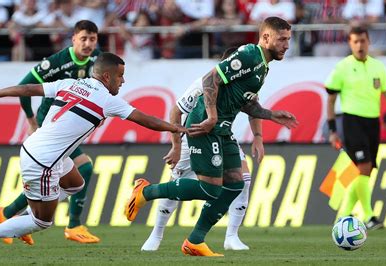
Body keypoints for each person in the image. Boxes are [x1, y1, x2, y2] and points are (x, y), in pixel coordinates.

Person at [0, 52, 187, 258]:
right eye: (120, 76)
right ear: (107, 76)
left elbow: (29, 89)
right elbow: (144, 119)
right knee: (42, 222)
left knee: (75, 184)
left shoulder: (70, 84)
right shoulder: (107, 100)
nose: (123, 81)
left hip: (40, 150)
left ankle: (23, 222)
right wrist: (175, 128)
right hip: (44, 163)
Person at [125, 16, 296, 256]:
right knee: (209, 189)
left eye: (288, 39)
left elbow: (246, 102)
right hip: (204, 126)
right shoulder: (249, 55)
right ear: (266, 37)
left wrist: (269, 115)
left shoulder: (262, 66)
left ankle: (195, 240)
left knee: (236, 183)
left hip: (222, 130)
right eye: (282, 39)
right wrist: (212, 116)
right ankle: (146, 191)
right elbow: (209, 79)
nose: (287, 45)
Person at [0, 20, 102, 245]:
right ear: (73, 39)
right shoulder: (56, 62)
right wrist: (32, 121)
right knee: (85, 167)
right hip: (51, 124)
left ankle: (10, 213)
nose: (88, 43)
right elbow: (24, 87)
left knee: (66, 175)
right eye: (83, 38)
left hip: (70, 123)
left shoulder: (97, 59)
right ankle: (73, 225)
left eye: (92, 39)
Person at [325, 26, 386, 230]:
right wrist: (333, 129)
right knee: (364, 166)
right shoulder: (342, 67)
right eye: (355, 42)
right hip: (352, 121)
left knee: (364, 173)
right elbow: (331, 101)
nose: (360, 45)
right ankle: (369, 216)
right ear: (350, 44)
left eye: (363, 41)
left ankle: (342, 216)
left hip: (372, 122)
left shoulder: (378, 67)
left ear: (368, 42)